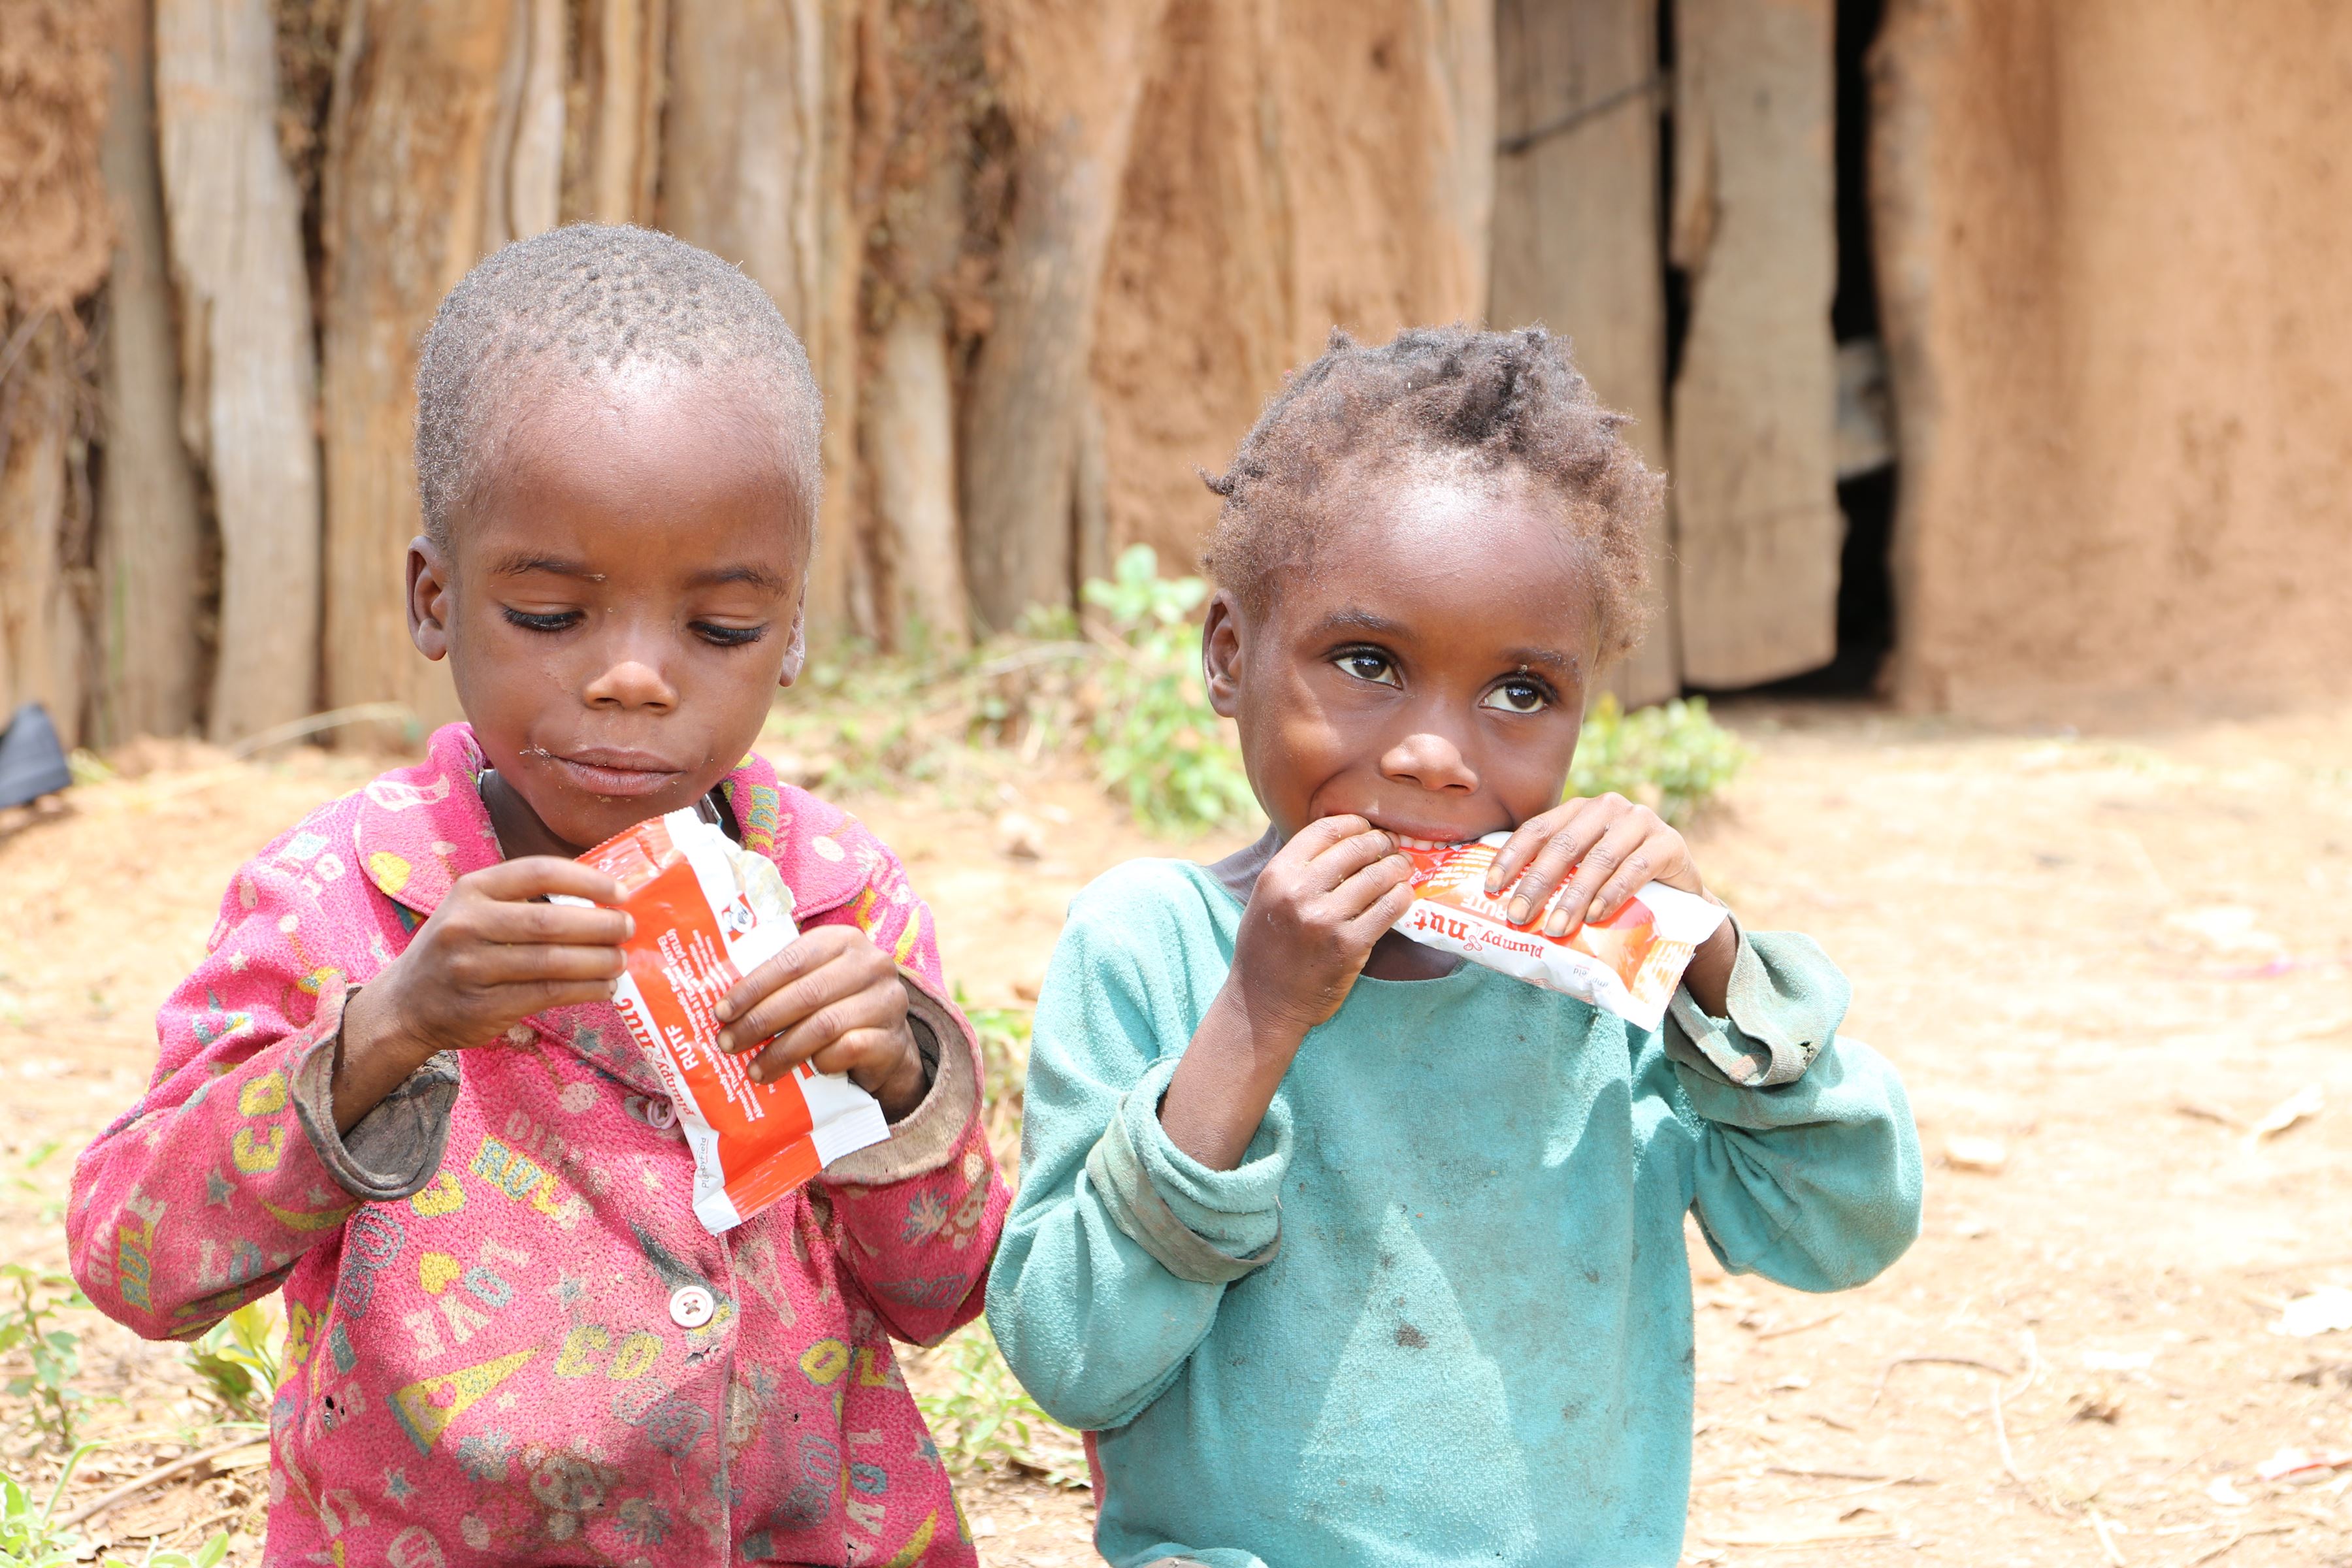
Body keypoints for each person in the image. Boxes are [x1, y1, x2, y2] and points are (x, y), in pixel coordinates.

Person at [67, 225, 1007, 1567]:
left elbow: (945, 1290)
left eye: (721, 628)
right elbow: (134, 1259)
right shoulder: (340, 900)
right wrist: (383, 1031)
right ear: (437, 596)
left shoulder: (829, 897)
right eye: (554, 615)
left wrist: (904, 1080)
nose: (635, 678)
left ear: (792, 630)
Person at [987, 326, 1923, 1567]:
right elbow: (1071, 1355)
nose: (1436, 754)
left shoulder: (1601, 972)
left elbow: (1844, 1231)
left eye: (1520, 692)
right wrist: (1258, 1019)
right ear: (1230, 658)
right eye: (1367, 663)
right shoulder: (1152, 944)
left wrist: (1705, 965)